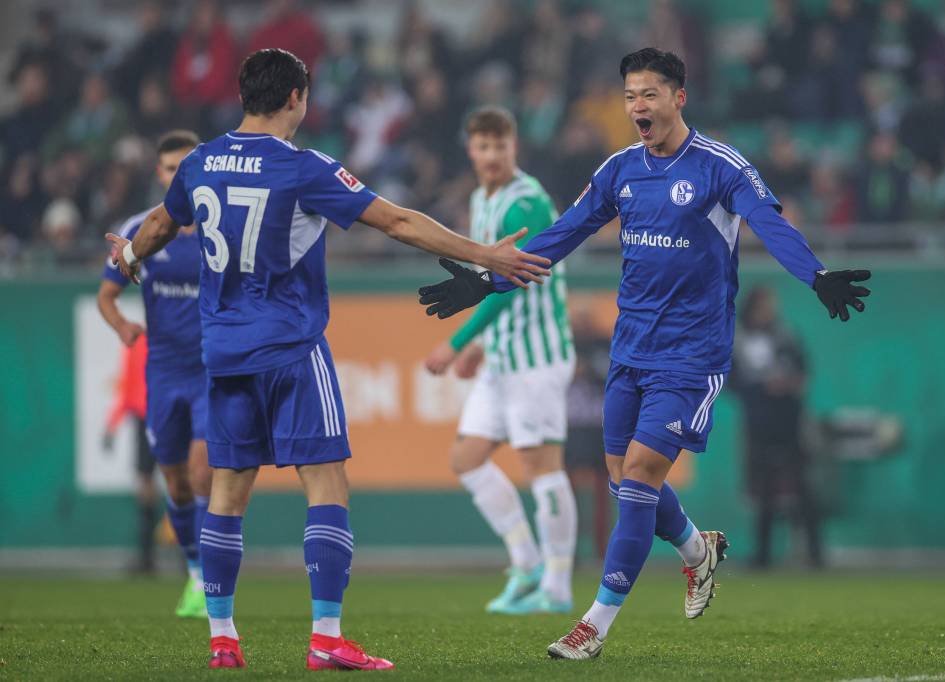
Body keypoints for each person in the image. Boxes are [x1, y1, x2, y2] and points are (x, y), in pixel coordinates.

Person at [417, 47, 871, 660]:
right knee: (624, 478)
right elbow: (564, 234)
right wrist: (487, 278)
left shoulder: (719, 166)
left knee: (636, 479)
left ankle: (594, 625)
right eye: (631, 95)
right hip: (631, 350)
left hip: (692, 354)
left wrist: (815, 276)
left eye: (650, 94)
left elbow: (768, 220)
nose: (638, 106)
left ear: (678, 98)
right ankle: (696, 550)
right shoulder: (621, 169)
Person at [106, 48, 549, 671]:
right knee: (326, 482)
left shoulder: (200, 162)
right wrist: (485, 256)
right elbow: (394, 220)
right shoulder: (303, 167)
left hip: (224, 352)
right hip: (288, 346)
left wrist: (125, 263)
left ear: (242, 96)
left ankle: (223, 639)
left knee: (228, 492)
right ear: (296, 98)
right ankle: (325, 637)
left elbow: (156, 225)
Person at [423, 107, 577, 615]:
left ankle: (557, 587)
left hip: (537, 356)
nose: (491, 156)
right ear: (471, 150)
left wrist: (456, 343)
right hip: (504, 355)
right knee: (465, 460)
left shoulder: (526, 202)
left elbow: (509, 289)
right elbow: (486, 282)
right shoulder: (479, 198)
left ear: (514, 147)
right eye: (483, 147)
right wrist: (480, 348)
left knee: (542, 468)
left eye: (500, 146)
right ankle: (527, 563)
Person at [97, 130, 210, 618]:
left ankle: (214, 582)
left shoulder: (222, 224)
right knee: (175, 482)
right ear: (160, 174)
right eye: (168, 168)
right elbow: (107, 294)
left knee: (204, 472)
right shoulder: (142, 227)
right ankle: (197, 572)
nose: (176, 174)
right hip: (162, 373)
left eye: (185, 165)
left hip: (212, 369)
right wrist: (122, 325)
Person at [732, 286, 822, 568]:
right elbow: (730, 380)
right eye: (765, 305)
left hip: (788, 419)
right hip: (759, 419)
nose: (770, 310)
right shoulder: (739, 339)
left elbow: (804, 370)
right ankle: (762, 555)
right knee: (763, 490)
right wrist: (760, 388)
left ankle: (815, 553)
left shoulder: (786, 335)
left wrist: (790, 383)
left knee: (802, 487)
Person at [101, 335, 158, 574]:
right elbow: (128, 388)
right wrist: (112, 424)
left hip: (172, 412)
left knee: (184, 483)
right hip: (145, 417)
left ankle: (191, 560)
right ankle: (146, 558)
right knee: (146, 485)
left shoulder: (173, 336)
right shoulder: (137, 341)